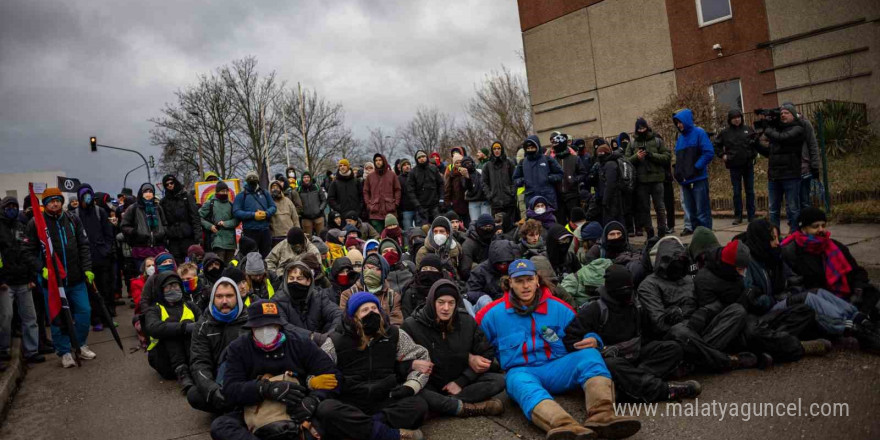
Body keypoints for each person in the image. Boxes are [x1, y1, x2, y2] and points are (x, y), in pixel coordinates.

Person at [477, 259, 640, 439]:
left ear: (537, 280)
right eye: (519, 281)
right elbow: (472, 341)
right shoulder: (492, 314)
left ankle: (603, 415)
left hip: (558, 367)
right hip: (522, 372)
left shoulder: (558, 307)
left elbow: (580, 332)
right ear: (510, 283)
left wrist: (593, 339)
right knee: (516, 381)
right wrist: (471, 358)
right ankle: (564, 426)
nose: (525, 286)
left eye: (529, 280)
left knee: (590, 355)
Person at [563, 265, 700, 402]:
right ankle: (663, 390)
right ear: (611, 290)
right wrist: (593, 343)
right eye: (623, 291)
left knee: (673, 349)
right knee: (613, 365)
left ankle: (628, 387)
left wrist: (668, 317)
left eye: (630, 289)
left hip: (635, 356)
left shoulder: (636, 306)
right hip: (612, 360)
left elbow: (650, 335)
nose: (628, 294)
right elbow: (570, 338)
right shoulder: (595, 309)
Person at [211, 299, 341, 440]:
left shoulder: (300, 343)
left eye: (271, 325)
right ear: (251, 328)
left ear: (280, 325)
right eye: (260, 326)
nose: (266, 330)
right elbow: (230, 390)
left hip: (298, 409)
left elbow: (334, 376)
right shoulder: (238, 348)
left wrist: (313, 400)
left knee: (328, 415)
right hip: (256, 410)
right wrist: (265, 389)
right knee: (220, 426)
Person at [314, 292, 430, 440]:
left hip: (385, 399)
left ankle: (360, 429)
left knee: (419, 406)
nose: (371, 313)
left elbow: (421, 357)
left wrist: (411, 385)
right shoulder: (336, 341)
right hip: (351, 402)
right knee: (327, 410)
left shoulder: (394, 334)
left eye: (374, 308)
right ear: (353, 316)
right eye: (364, 310)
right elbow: (316, 370)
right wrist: (313, 381)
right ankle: (391, 434)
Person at [638, 238, 761, 373]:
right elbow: (659, 324)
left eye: (682, 262)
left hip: (698, 329)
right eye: (676, 262)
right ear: (664, 262)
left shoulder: (686, 278)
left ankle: (698, 359)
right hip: (675, 335)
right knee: (679, 330)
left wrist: (705, 311)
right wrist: (678, 312)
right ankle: (727, 360)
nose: (680, 266)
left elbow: (703, 303)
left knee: (737, 310)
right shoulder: (649, 285)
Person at [402, 279, 505, 417]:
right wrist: (412, 364)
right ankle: (465, 407)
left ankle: (443, 405)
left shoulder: (467, 321)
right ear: (431, 302)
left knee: (499, 381)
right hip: (428, 384)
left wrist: (461, 381)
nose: (446, 308)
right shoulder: (411, 325)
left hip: (459, 382)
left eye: (451, 303)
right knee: (411, 391)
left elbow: (487, 353)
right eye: (441, 302)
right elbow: (396, 362)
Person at [23, 188, 95, 368]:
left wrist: (87, 269)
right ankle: (64, 352)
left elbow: (83, 245)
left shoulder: (72, 218)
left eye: (57, 200)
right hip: (53, 283)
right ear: (44, 204)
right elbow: (28, 252)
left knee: (84, 312)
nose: (54, 204)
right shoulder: (36, 223)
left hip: (76, 278)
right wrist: (42, 269)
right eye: (50, 201)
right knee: (57, 318)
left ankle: (79, 344)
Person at [782, 207, 880, 320]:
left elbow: (856, 271)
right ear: (803, 229)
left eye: (823, 225)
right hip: (819, 299)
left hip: (845, 295)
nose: (821, 230)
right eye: (815, 226)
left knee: (871, 292)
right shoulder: (792, 251)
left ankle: (859, 316)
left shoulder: (835, 246)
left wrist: (858, 289)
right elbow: (796, 285)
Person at [188, 280, 249, 414]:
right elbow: (199, 362)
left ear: (237, 297)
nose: (224, 301)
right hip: (219, 381)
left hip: (246, 379)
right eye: (219, 296)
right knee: (195, 395)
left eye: (229, 296)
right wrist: (212, 389)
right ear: (213, 298)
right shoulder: (203, 325)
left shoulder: (249, 320)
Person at [0, 197, 46, 365]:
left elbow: (29, 254)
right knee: (6, 317)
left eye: (14, 206)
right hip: (6, 283)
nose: (11, 209)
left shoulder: (22, 227)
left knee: (30, 318)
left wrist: (32, 277)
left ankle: (32, 351)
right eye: (8, 207)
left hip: (24, 281)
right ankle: (3, 348)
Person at [144, 271, 199, 391]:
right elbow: (153, 327)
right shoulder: (154, 309)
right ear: (161, 290)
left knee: (190, 327)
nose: (173, 289)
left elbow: (204, 323)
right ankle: (182, 371)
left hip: (192, 357)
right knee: (170, 328)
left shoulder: (190, 305)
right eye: (168, 287)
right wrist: (184, 328)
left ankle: (196, 369)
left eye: (175, 286)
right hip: (164, 359)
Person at [755, 103, 805, 233]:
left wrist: (767, 129)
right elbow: (770, 152)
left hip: (791, 175)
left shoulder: (798, 129)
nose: (783, 115)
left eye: (786, 113)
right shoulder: (777, 131)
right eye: (781, 113)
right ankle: (774, 235)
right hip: (774, 176)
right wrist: (755, 144)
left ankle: (794, 234)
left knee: (793, 208)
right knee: (773, 209)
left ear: (793, 115)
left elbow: (783, 139)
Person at [272, 261, 342, 341]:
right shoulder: (277, 301)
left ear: (308, 281)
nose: (295, 282)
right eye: (291, 278)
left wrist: (329, 336)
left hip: (321, 343)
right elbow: (284, 326)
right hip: (293, 345)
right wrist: (313, 336)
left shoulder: (318, 296)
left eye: (299, 278)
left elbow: (337, 314)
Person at [672, 108, 714, 230]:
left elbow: (708, 153)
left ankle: (707, 240)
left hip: (699, 179)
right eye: (677, 123)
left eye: (680, 122)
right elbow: (680, 159)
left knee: (702, 213)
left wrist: (696, 167)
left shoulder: (699, 133)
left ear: (686, 120)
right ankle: (698, 239)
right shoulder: (680, 138)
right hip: (685, 181)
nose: (679, 125)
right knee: (692, 215)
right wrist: (677, 172)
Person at [627, 118, 670, 238]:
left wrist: (651, 155)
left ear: (647, 127)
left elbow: (666, 157)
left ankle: (662, 232)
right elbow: (625, 161)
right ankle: (650, 234)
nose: (641, 130)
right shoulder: (632, 143)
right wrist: (636, 157)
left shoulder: (657, 140)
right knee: (644, 209)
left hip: (657, 180)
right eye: (639, 129)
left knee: (660, 207)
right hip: (641, 182)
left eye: (643, 128)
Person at [715, 109, 757, 225]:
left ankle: (751, 215)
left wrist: (754, 155)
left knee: (750, 191)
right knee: (737, 192)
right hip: (734, 166)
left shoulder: (748, 130)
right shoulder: (725, 133)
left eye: (738, 117)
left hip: (748, 165)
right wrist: (722, 155)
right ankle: (738, 216)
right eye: (734, 118)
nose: (737, 119)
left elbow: (755, 144)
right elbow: (716, 145)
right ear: (730, 120)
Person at [340, 254, 404, 326]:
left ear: (383, 272)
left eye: (373, 268)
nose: (368, 271)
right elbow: (346, 322)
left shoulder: (393, 297)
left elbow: (396, 322)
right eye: (366, 268)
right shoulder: (348, 294)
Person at [465, 239, 518, 315]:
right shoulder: (480, 271)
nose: (502, 266)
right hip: (488, 306)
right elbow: (471, 292)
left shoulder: (516, 269)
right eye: (499, 263)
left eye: (506, 263)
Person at [514, 135, 564, 214]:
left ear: (537, 147)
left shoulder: (547, 159)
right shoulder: (523, 163)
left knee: (549, 222)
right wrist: (522, 181)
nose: (530, 150)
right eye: (528, 148)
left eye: (532, 147)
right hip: (531, 199)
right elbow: (515, 178)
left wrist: (549, 178)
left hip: (547, 198)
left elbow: (560, 173)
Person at [121, 183, 168, 264]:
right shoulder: (133, 208)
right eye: (146, 191)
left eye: (151, 191)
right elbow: (124, 226)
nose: (148, 193)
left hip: (158, 249)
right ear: (141, 193)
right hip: (140, 250)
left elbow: (165, 224)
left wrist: (162, 232)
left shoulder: (158, 208)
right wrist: (135, 232)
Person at [233, 171, 277, 258]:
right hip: (250, 231)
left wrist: (266, 213)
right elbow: (236, 211)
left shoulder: (265, 193)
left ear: (258, 181)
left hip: (265, 231)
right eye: (250, 179)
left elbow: (273, 207)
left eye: (254, 179)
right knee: (250, 256)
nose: (252, 181)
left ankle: (266, 271)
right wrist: (253, 215)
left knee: (267, 257)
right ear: (247, 181)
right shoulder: (241, 195)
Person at [160, 174, 202, 263]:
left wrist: (198, 236)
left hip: (188, 237)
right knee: (177, 264)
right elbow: (163, 221)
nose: (170, 185)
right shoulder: (163, 202)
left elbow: (195, 217)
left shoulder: (186, 197)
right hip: (173, 239)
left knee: (191, 263)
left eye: (171, 183)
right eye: (167, 184)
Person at [548, 133, 585, 226]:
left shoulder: (575, 158)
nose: (554, 147)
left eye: (556, 144)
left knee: (575, 222)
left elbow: (583, 173)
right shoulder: (552, 160)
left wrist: (574, 180)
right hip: (558, 197)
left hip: (572, 196)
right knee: (560, 223)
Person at [198, 181, 240, 264]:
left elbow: (236, 220)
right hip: (217, 241)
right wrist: (210, 226)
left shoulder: (231, 205)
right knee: (219, 265)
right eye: (222, 191)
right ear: (217, 191)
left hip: (230, 242)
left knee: (230, 266)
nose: (224, 193)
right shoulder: (210, 203)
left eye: (226, 191)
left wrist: (225, 223)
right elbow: (199, 217)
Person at [401, 254, 449, 318]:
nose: (428, 271)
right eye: (424, 269)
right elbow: (406, 316)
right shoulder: (410, 292)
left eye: (432, 269)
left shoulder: (448, 289)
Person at [482, 140, 518, 224]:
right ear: (492, 150)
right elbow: (484, 182)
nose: (497, 150)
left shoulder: (509, 163)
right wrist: (490, 195)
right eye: (495, 149)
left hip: (509, 202)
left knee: (511, 225)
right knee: (498, 226)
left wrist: (512, 192)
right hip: (495, 203)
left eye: (498, 148)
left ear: (502, 149)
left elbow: (515, 179)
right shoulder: (487, 166)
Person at [363, 154, 401, 232]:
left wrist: (396, 203)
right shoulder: (370, 177)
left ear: (384, 161)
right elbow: (366, 192)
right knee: (378, 236)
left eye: (380, 160)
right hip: (375, 212)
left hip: (390, 211)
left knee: (392, 234)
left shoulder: (392, 175)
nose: (378, 162)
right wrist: (368, 204)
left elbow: (397, 190)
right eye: (376, 160)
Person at [590, 141, 625, 226]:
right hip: (609, 198)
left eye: (601, 153)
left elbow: (610, 184)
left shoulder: (610, 164)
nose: (599, 155)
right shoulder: (603, 164)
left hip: (612, 198)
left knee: (613, 222)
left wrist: (605, 200)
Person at [407, 150, 445, 227]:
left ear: (426, 157)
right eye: (419, 157)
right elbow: (410, 191)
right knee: (423, 231)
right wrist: (418, 206)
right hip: (421, 207)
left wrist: (441, 199)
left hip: (435, 206)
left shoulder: (433, 168)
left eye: (423, 156)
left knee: (439, 228)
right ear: (416, 159)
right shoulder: (413, 172)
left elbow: (441, 184)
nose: (422, 159)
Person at [459, 214, 496, 281]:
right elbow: (465, 271)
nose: (487, 230)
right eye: (484, 227)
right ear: (478, 227)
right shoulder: (468, 244)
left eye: (490, 227)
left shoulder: (496, 240)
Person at [268, 180, 299, 244]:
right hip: (275, 236)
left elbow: (295, 218)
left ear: (280, 189)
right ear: (270, 189)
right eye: (273, 188)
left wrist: (298, 232)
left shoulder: (288, 201)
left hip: (289, 235)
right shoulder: (268, 202)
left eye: (277, 187)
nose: (275, 189)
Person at [298, 170, 328, 237]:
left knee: (322, 237)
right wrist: (301, 212)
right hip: (306, 218)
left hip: (318, 217)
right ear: (302, 179)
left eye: (308, 177)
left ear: (310, 178)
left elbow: (324, 200)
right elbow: (297, 203)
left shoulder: (317, 187)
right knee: (308, 239)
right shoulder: (299, 190)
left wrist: (320, 209)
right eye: (304, 177)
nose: (306, 179)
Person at [444, 153, 470, 225]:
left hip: (467, 203)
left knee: (467, 224)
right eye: (456, 163)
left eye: (460, 162)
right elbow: (447, 188)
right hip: (455, 204)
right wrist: (447, 202)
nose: (459, 164)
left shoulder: (468, 172)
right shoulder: (451, 174)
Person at [397, 159, 417, 231]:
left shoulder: (415, 176)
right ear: (401, 167)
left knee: (419, 231)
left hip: (417, 208)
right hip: (406, 210)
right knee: (407, 232)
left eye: (408, 164)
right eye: (404, 165)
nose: (407, 166)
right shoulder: (398, 179)